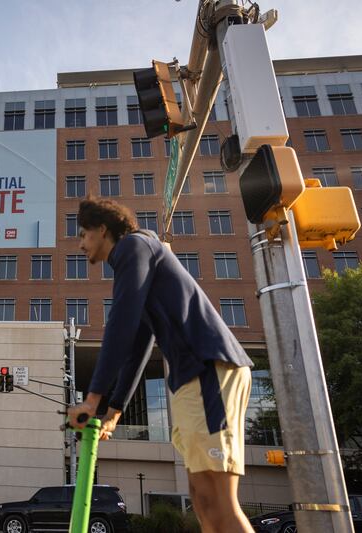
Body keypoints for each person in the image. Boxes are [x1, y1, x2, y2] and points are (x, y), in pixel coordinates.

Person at [67, 196, 255, 533]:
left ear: (102, 229)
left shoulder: (133, 247)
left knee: (220, 500)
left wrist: (92, 399)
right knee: (202, 499)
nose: (81, 245)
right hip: (190, 378)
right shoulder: (139, 257)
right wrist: (116, 408)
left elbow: (120, 325)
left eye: (83, 235)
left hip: (208, 367)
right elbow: (139, 340)